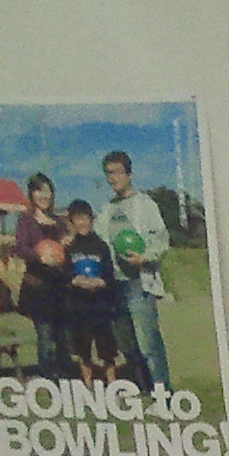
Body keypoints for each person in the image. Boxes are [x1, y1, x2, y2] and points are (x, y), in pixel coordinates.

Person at [99, 149, 177, 400]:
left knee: (148, 344)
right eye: (108, 173)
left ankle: (163, 393)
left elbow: (161, 239)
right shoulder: (107, 209)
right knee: (128, 345)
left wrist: (145, 257)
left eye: (117, 172)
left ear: (129, 174)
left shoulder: (145, 204)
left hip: (138, 283)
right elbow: (98, 240)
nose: (112, 178)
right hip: (115, 285)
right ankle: (144, 389)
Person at [57, 200, 129, 383]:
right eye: (77, 219)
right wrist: (74, 280)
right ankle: (87, 383)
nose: (82, 223)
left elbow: (109, 275)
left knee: (107, 347)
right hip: (78, 304)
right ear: (71, 222)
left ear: (91, 219)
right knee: (83, 348)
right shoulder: (69, 247)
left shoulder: (101, 246)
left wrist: (101, 282)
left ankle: (111, 382)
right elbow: (64, 274)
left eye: (85, 218)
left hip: (100, 305)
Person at [12, 169, 74, 378]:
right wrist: (39, 258)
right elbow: (21, 248)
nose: (44, 196)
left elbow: (64, 251)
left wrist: (67, 243)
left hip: (59, 288)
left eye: (48, 191)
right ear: (31, 193)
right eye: (39, 191)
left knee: (64, 337)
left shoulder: (59, 222)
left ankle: (66, 377)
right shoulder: (26, 219)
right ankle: (48, 378)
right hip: (38, 289)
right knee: (45, 336)